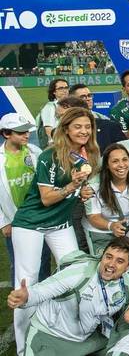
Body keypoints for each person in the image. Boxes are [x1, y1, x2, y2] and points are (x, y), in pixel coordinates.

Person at [10, 107, 99, 354]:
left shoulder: (89, 153)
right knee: (27, 284)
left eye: (87, 126)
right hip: (31, 224)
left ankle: (67, 333)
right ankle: (23, 347)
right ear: (66, 129)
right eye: (78, 126)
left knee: (77, 274)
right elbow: (47, 198)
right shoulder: (50, 155)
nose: (83, 131)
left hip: (59, 224)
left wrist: (82, 192)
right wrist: (73, 185)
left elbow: (76, 191)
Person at [7, 237, 129, 355]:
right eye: (108, 257)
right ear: (102, 256)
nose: (111, 264)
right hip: (49, 336)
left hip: (86, 341)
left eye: (120, 261)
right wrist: (26, 297)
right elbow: (44, 290)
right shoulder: (80, 272)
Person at [0, 113, 45, 286]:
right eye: (20, 132)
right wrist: (3, 222)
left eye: (26, 131)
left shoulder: (35, 152)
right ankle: (21, 306)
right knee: (19, 265)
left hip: (40, 216)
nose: (26, 135)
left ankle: (43, 301)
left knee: (43, 260)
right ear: (6, 134)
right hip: (16, 221)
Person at [84, 144, 129, 256]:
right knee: (105, 265)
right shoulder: (93, 186)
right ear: (107, 165)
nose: (121, 165)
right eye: (115, 161)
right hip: (101, 232)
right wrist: (111, 226)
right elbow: (93, 217)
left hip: (127, 228)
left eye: (125, 160)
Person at [69, 84, 127, 150]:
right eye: (83, 97)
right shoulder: (66, 120)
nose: (88, 99)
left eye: (89, 95)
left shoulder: (104, 120)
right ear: (72, 100)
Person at [38, 78, 69, 146]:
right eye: (61, 88)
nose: (65, 91)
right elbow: (48, 129)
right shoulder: (50, 107)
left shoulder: (71, 104)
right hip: (58, 143)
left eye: (66, 88)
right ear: (54, 92)